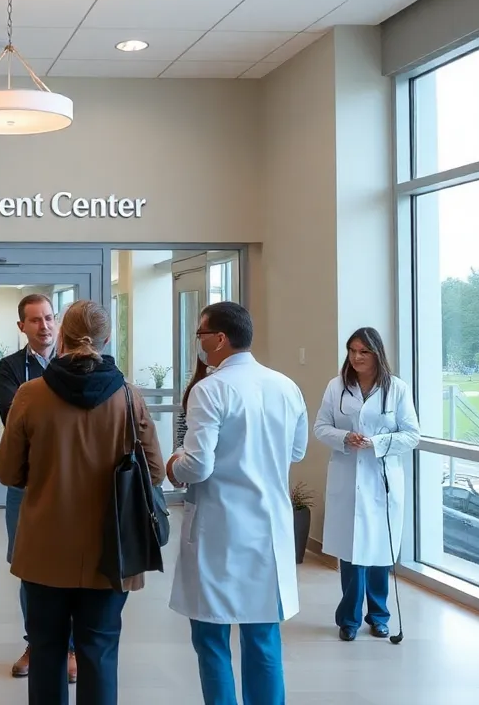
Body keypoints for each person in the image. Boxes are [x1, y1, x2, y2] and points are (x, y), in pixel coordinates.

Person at [0, 299, 163, 705]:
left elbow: (7, 472)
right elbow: (155, 472)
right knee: (99, 651)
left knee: (46, 649)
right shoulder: (128, 396)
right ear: (107, 339)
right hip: (112, 549)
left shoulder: (31, 395)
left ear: (62, 337)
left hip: (44, 548)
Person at [166, 301, 309, 705]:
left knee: (211, 636)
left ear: (220, 339)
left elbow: (197, 466)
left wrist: (174, 463)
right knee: (262, 636)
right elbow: (296, 451)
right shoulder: (286, 386)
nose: (199, 342)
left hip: (221, 529)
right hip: (268, 530)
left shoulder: (211, 389)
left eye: (201, 334)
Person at [314, 326, 420, 641]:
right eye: (352, 351)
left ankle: (378, 616)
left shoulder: (396, 389)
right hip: (347, 476)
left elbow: (412, 435)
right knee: (350, 553)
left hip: (380, 479)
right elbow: (321, 427)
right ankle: (348, 619)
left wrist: (377, 442)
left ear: (377, 354)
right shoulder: (336, 386)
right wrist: (344, 437)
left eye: (363, 352)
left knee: (379, 552)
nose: (356, 357)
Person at [0, 293, 76, 682]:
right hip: (25, 481)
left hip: (70, 481)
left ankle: (71, 648)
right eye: (35, 320)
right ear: (21, 326)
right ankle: (37, 644)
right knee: (28, 566)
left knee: (70, 563)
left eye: (48, 318)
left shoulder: (75, 362)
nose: (44, 326)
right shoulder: (10, 367)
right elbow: (12, 417)